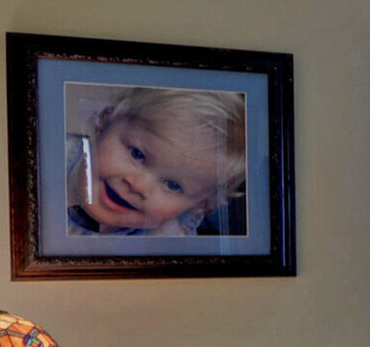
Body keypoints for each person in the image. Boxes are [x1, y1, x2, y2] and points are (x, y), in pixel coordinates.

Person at [66, 86, 247, 236]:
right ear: (104, 122)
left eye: (172, 185)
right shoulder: (45, 159)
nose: (139, 186)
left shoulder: (171, 240)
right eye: (137, 154)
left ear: (202, 205)